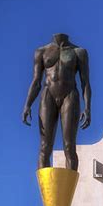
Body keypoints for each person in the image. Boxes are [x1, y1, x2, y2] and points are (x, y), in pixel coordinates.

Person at [22, 33, 91, 171]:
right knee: (44, 146)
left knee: (69, 146)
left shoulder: (79, 52)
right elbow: (36, 82)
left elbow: (85, 83)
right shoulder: (41, 52)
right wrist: (27, 105)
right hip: (48, 95)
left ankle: (70, 191)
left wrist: (87, 108)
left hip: (70, 95)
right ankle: (46, 191)